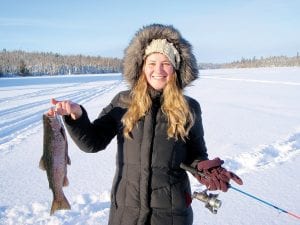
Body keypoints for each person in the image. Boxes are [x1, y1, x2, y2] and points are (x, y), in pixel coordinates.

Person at [49, 24, 243, 225]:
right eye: (152, 63)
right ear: (142, 66)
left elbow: (195, 154)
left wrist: (206, 171)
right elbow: (92, 143)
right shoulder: (123, 102)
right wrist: (77, 117)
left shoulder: (189, 108)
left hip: (171, 215)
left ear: (175, 68)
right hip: (126, 213)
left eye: (165, 63)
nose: (158, 70)